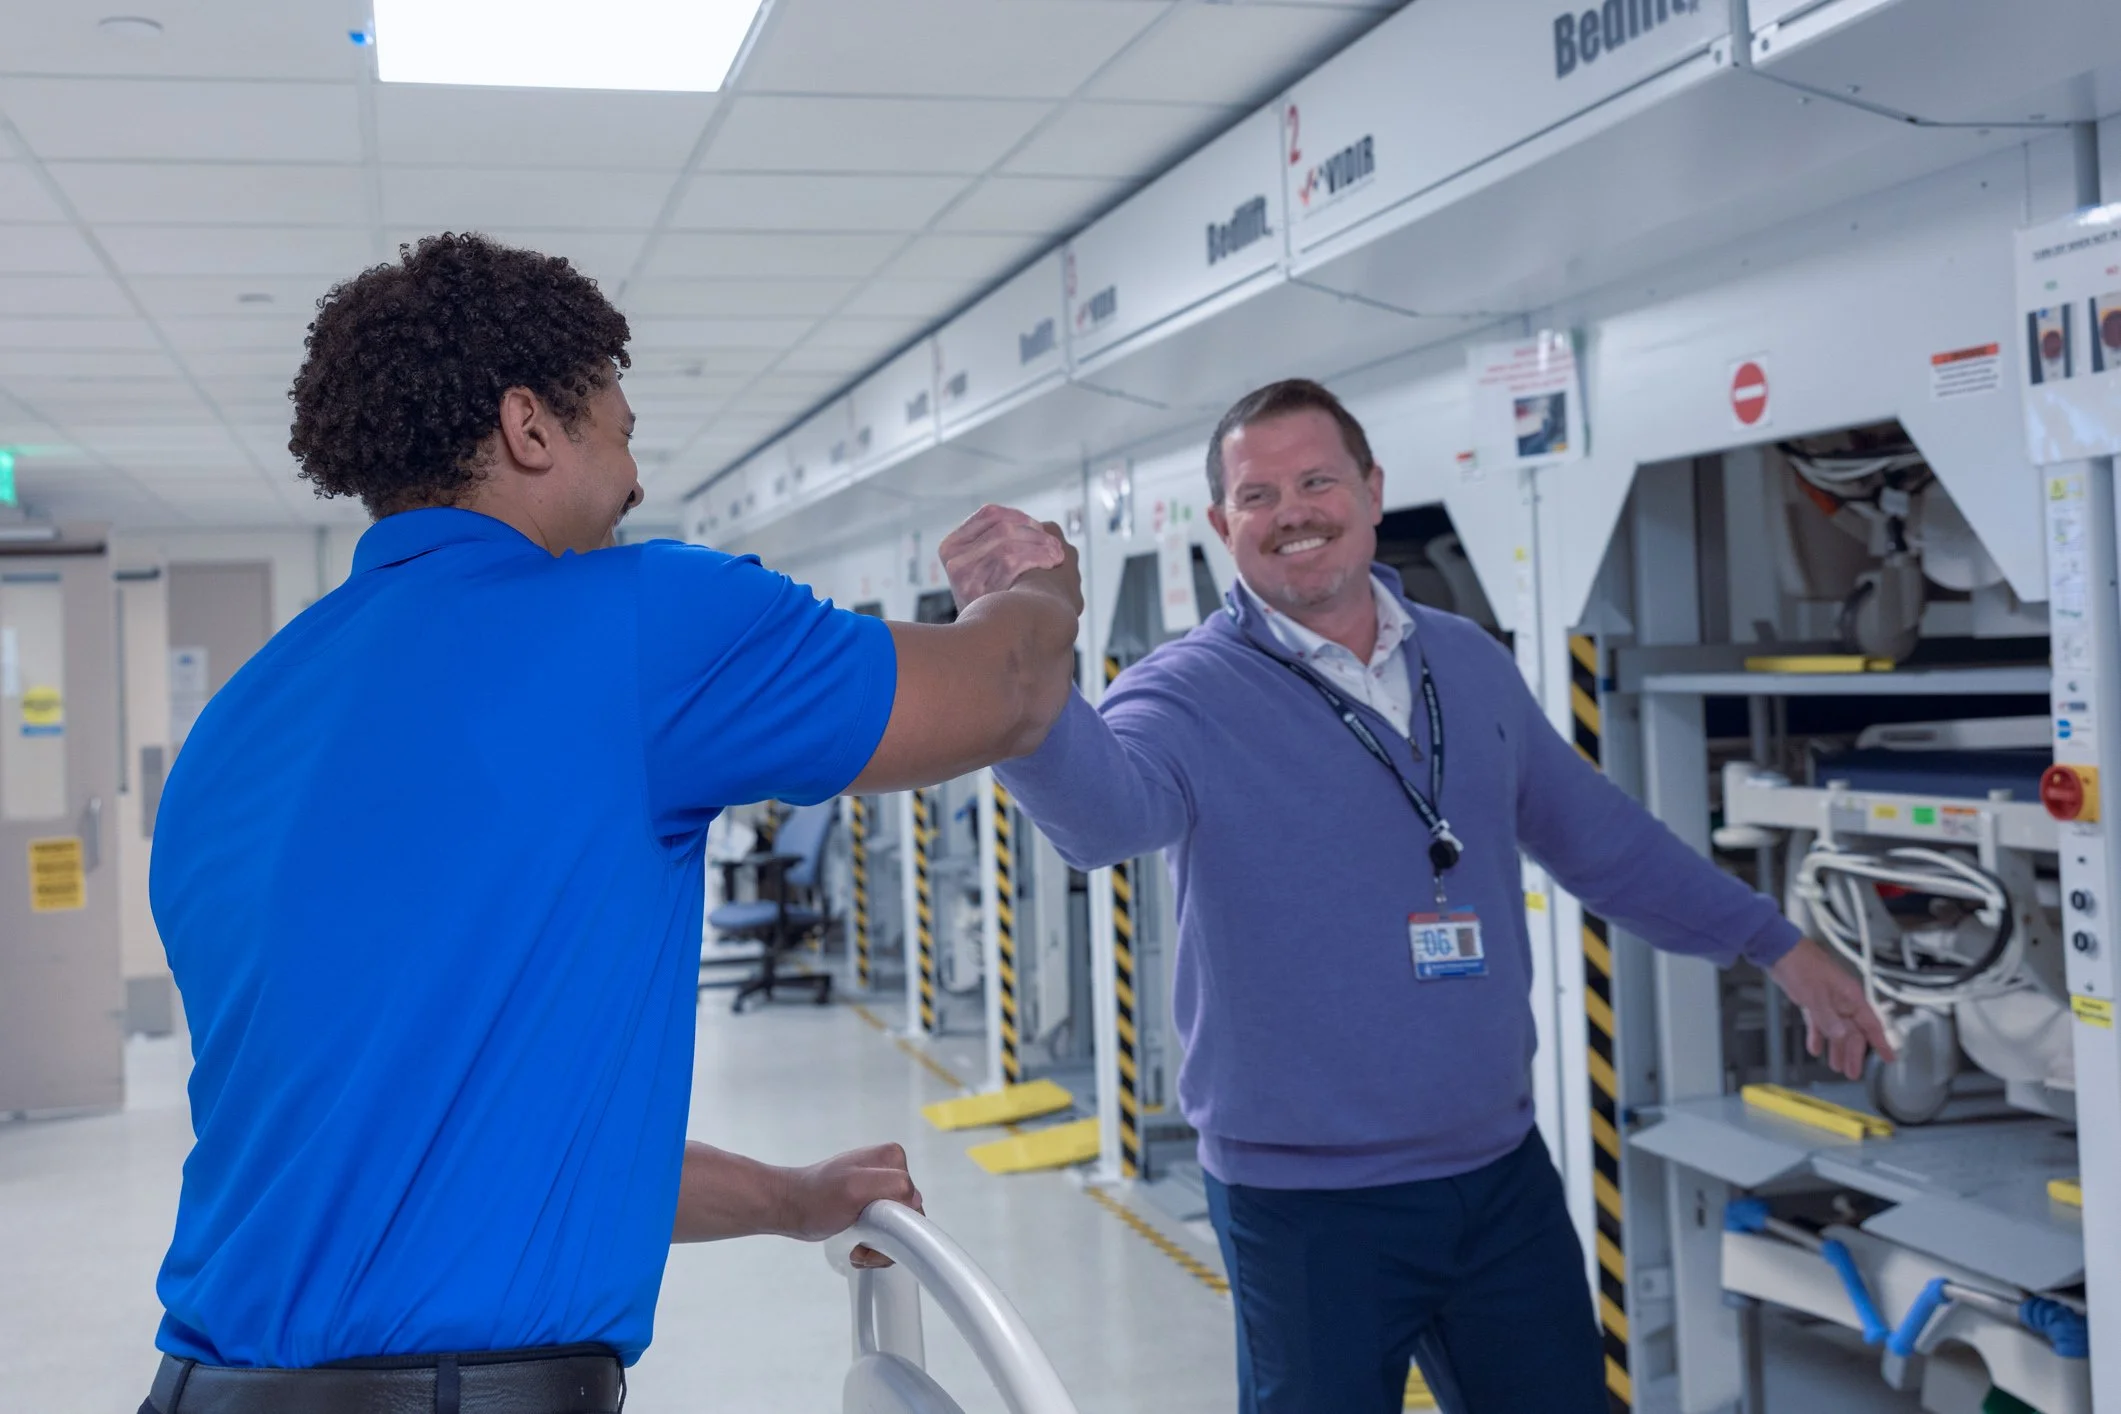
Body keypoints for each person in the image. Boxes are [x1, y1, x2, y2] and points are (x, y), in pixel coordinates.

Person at [140, 233, 1082, 1414]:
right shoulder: (643, 625)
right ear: (533, 428)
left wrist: (791, 1200)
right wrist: (1040, 582)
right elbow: (1011, 687)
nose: (636, 478)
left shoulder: (235, 728)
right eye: (623, 431)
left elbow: (459, 1137)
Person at [938, 378, 1893, 1414]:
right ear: (1223, 525)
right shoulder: (1185, 692)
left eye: (1317, 480)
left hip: (1496, 1171)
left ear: (1373, 489)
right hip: (1306, 1202)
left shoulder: (1467, 663)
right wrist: (1019, 664)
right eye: (1258, 496)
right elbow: (1101, 819)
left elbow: (1600, 839)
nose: (1292, 511)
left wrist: (1774, 942)